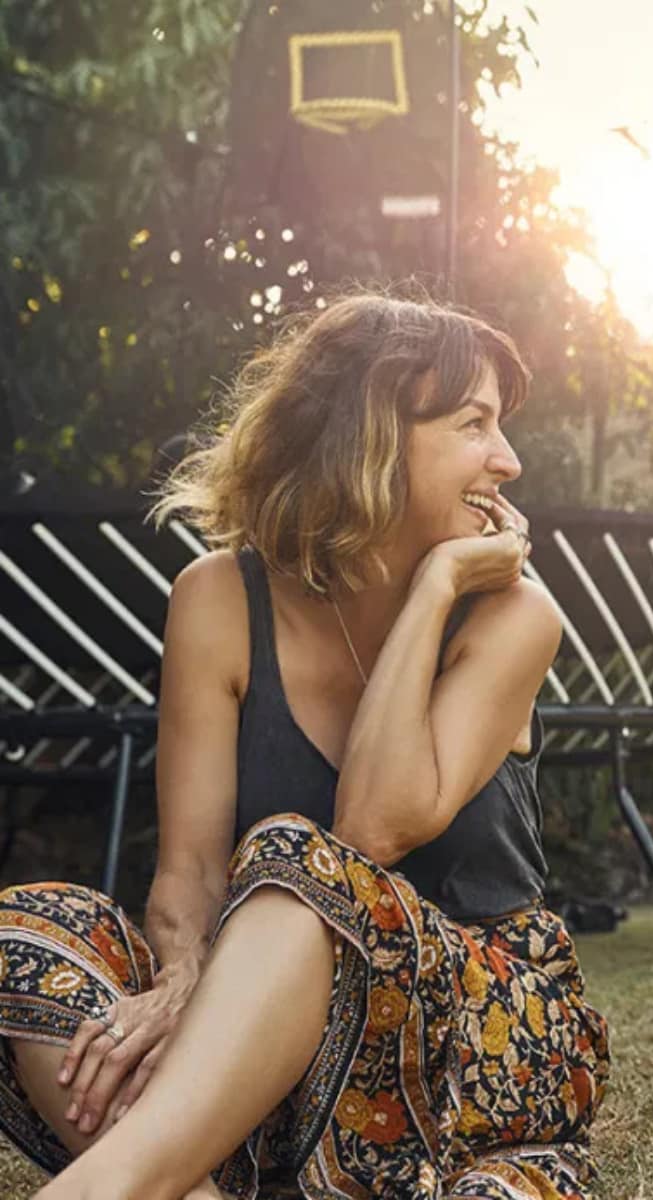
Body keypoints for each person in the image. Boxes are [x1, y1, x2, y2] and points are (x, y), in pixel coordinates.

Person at [0, 292, 608, 1199]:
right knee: (23, 934)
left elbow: (371, 827)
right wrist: (182, 984)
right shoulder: (219, 600)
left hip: (466, 1043)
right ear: (371, 437)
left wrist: (439, 583)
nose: (508, 461)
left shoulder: (514, 617)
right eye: (473, 424)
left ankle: (113, 1186)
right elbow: (191, 876)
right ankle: (186, 1176)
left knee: (297, 862)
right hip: (261, 1044)